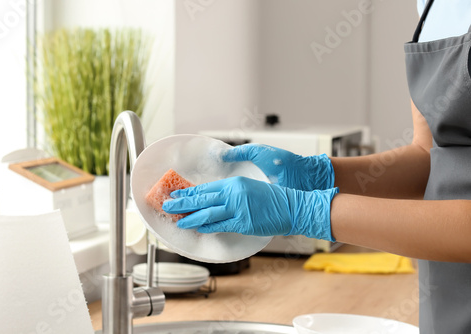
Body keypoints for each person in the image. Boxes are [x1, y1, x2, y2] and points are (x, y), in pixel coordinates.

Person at [163, 0, 471, 333]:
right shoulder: (430, 6)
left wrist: (308, 212)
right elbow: (431, 157)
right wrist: (318, 174)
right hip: (447, 291)